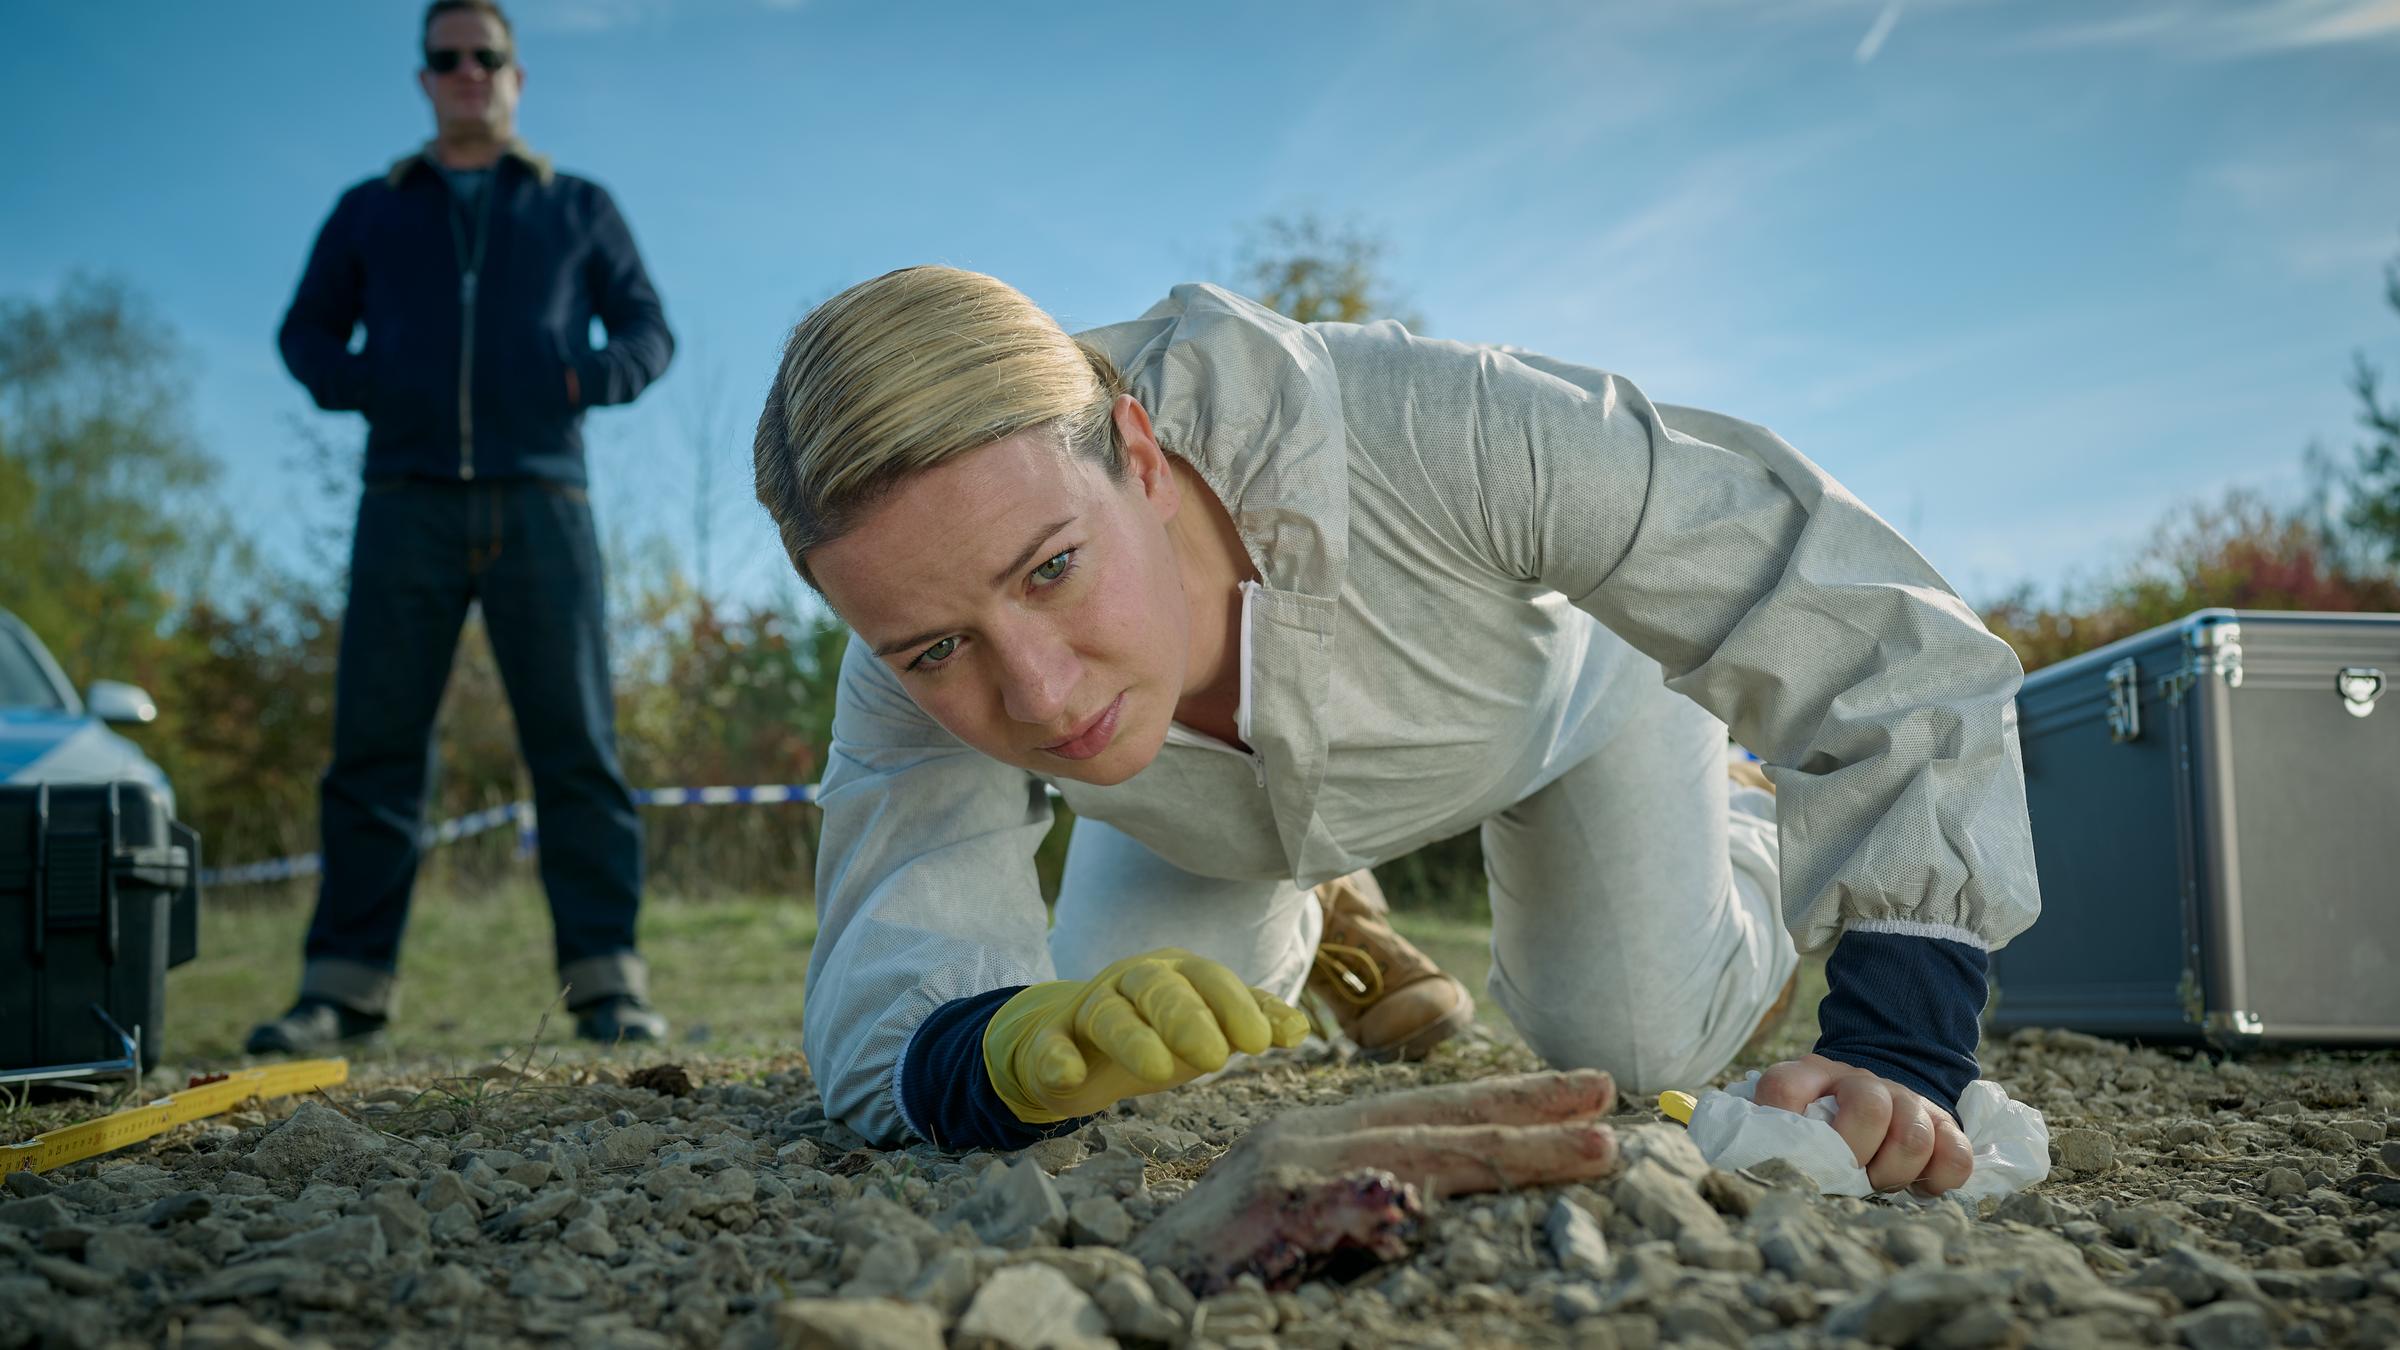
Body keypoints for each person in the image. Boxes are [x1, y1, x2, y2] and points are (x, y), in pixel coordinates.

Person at [752, 267, 2040, 1196]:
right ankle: (1328, 909)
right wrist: (989, 1057)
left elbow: (1870, 631)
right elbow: (892, 964)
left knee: (1639, 1045)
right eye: (935, 649)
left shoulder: (1436, 427)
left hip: (1568, 726)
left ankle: (1734, 821)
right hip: (1215, 831)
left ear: (1137, 454)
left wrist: (1901, 1044)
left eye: (1052, 569)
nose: (1033, 698)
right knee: (1124, 1067)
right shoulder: (901, 658)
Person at [248, 0, 675, 1053]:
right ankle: (342, 989)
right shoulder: (370, 210)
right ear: (425, 81)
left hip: (545, 503)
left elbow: (648, 330)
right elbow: (304, 332)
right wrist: (373, 385)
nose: (468, 72)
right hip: (405, 500)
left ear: (517, 77)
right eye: (447, 59)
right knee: (376, 749)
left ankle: (607, 985)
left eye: (487, 56)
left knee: (575, 742)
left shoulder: (577, 206)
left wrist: (582, 377)